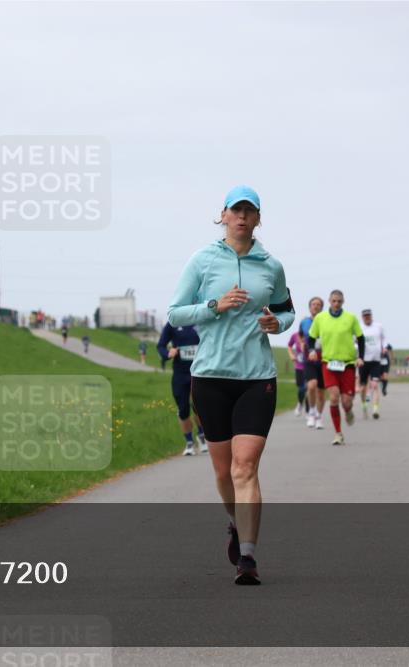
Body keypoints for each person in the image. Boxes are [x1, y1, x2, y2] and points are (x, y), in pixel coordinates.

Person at [167, 185, 295, 585]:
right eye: (235, 210)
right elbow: (174, 314)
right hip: (210, 378)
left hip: (257, 377)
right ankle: (236, 525)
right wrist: (213, 306)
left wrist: (279, 324)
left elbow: (287, 310)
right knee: (224, 473)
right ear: (222, 215)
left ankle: (248, 559)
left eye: (249, 211)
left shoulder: (270, 265)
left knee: (245, 467)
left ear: (258, 218)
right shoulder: (202, 260)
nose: (242, 217)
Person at [307, 290, 364, 445]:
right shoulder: (320, 318)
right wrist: (312, 351)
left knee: (346, 401)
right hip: (328, 363)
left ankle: (348, 411)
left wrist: (360, 357)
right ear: (330, 301)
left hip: (348, 364)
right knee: (333, 397)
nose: (336, 304)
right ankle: (338, 433)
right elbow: (311, 337)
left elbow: (360, 338)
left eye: (339, 301)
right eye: (334, 301)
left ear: (343, 301)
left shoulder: (350, 318)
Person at [156, 322, 208, 456]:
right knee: (183, 409)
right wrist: (168, 352)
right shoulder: (173, 324)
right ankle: (189, 443)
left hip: (200, 371)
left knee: (199, 405)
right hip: (180, 373)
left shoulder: (201, 320)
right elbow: (160, 345)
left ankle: (202, 437)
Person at [300, 297, 326, 429]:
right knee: (311, 386)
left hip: (324, 359)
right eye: (313, 304)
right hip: (309, 359)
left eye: (318, 305)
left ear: (322, 307)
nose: (316, 306)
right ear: (310, 307)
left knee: (321, 392)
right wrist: (301, 344)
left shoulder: (326, 321)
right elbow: (300, 335)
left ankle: (320, 416)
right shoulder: (304, 322)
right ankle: (311, 412)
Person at [358, 309, 386, 419]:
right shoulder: (359, 328)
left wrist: (384, 347)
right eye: (365, 316)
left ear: (371, 316)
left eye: (368, 315)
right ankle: (364, 405)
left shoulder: (378, 326)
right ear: (362, 317)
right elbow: (354, 342)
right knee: (363, 387)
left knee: (375, 385)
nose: (367, 317)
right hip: (363, 360)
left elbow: (384, 339)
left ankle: (375, 409)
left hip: (376, 360)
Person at [287, 328, 308, 416]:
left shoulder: (311, 336)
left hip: (309, 366)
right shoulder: (295, 335)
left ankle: (309, 411)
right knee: (301, 388)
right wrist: (291, 355)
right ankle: (300, 404)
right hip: (299, 367)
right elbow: (289, 346)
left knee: (308, 388)